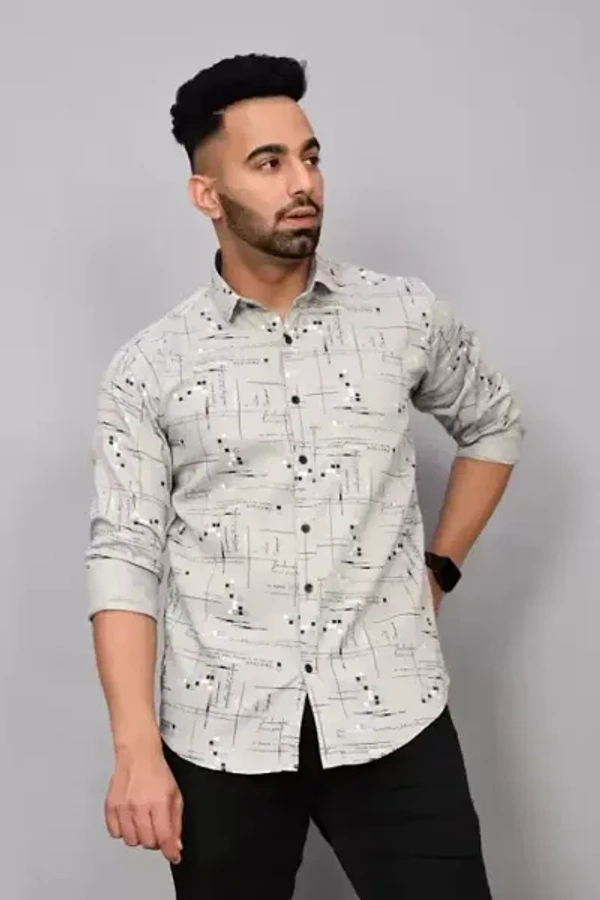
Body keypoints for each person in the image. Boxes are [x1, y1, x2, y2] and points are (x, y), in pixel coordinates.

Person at [85, 53, 525, 900]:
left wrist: (439, 568)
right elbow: (123, 558)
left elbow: (494, 423)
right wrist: (136, 749)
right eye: (268, 162)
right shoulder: (150, 367)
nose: (303, 183)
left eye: (310, 156)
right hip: (222, 735)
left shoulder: (401, 315)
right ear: (207, 195)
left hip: (394, 717)